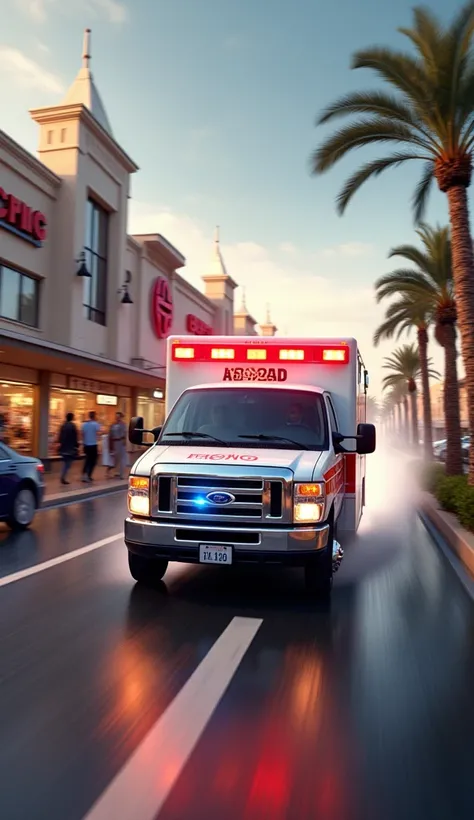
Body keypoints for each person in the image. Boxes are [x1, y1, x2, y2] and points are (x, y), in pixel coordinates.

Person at [58, 412, 78, 484]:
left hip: (64, 447)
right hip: (70, 448)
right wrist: (76, 446)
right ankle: (63, 477)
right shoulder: (73, 426)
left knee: (65, 463)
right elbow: (75, 437)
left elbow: (60, 437)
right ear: (71, 418)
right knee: (68, 464)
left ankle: (63, 476)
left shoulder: (63, 425)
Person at [82, 411, 101, 482]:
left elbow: (82, 434)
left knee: (87, 460)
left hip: (86, 445)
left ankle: (84, 474)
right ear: (94, 416)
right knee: (93, 461)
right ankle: (88, 475)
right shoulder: (96, 424)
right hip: (93, 445)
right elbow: (98, 434)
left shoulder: (84, 424)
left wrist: (83, 443)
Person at [109, 411, 127, 479]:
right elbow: (110, 434)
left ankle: (121, 473)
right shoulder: (113, 425)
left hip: (120, 441)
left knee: (121, 458)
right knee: (115, 458)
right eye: (116, 416)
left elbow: (125, 433)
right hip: (115, 442)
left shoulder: (123, 424)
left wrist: (124, 442)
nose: (117, 418)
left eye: (118, 416)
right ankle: (116, 471)